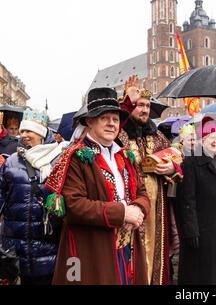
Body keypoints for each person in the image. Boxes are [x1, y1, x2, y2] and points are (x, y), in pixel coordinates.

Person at [48, 87, 150, 285]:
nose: (112, 124)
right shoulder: (75, 157)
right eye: (105, 118)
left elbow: (142, 193)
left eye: (116, 119)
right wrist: (121, 213)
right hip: (91, 251)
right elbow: (73, 205)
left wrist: (138, 208)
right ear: (90, 121)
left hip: (127, 248)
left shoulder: (125, 156)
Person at [116, 75, 181, 285]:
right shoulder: (120, 134)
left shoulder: (157, 136)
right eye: (139, 105)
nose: (144, 110)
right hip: (131, 205)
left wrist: (172, 167)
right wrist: (126, 103)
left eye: (146, 105)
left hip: (157, 207)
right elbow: (115, 127)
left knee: (157, 254)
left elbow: (177, 160)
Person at [0, 109, 63, 285]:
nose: (24, 135)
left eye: (29, 131)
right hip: (14, 248)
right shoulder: (12, 161)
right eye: (22, 131)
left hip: (48, 248)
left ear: (41, 133)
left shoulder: (59, 160)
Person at [176, 117, 216, 285]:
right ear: (203, 140)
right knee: (203, 275)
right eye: (212, 138)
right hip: (202, 231)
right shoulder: (190, 164)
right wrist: (191, 230)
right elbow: (187, 201)